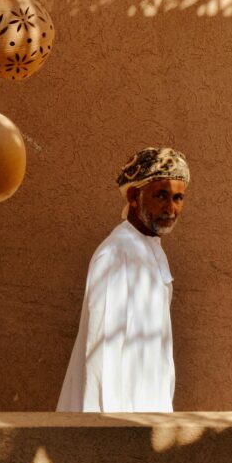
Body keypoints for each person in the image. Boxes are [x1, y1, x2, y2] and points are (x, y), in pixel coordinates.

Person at [57, 147, 189, 412]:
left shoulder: (149, 249)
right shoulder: (116, 254)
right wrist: (109, 432)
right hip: (115, 422)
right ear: (133, 196)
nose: (171, 208)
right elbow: (102, 355)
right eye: (161, 195)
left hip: (145, 416)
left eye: (178, 197)